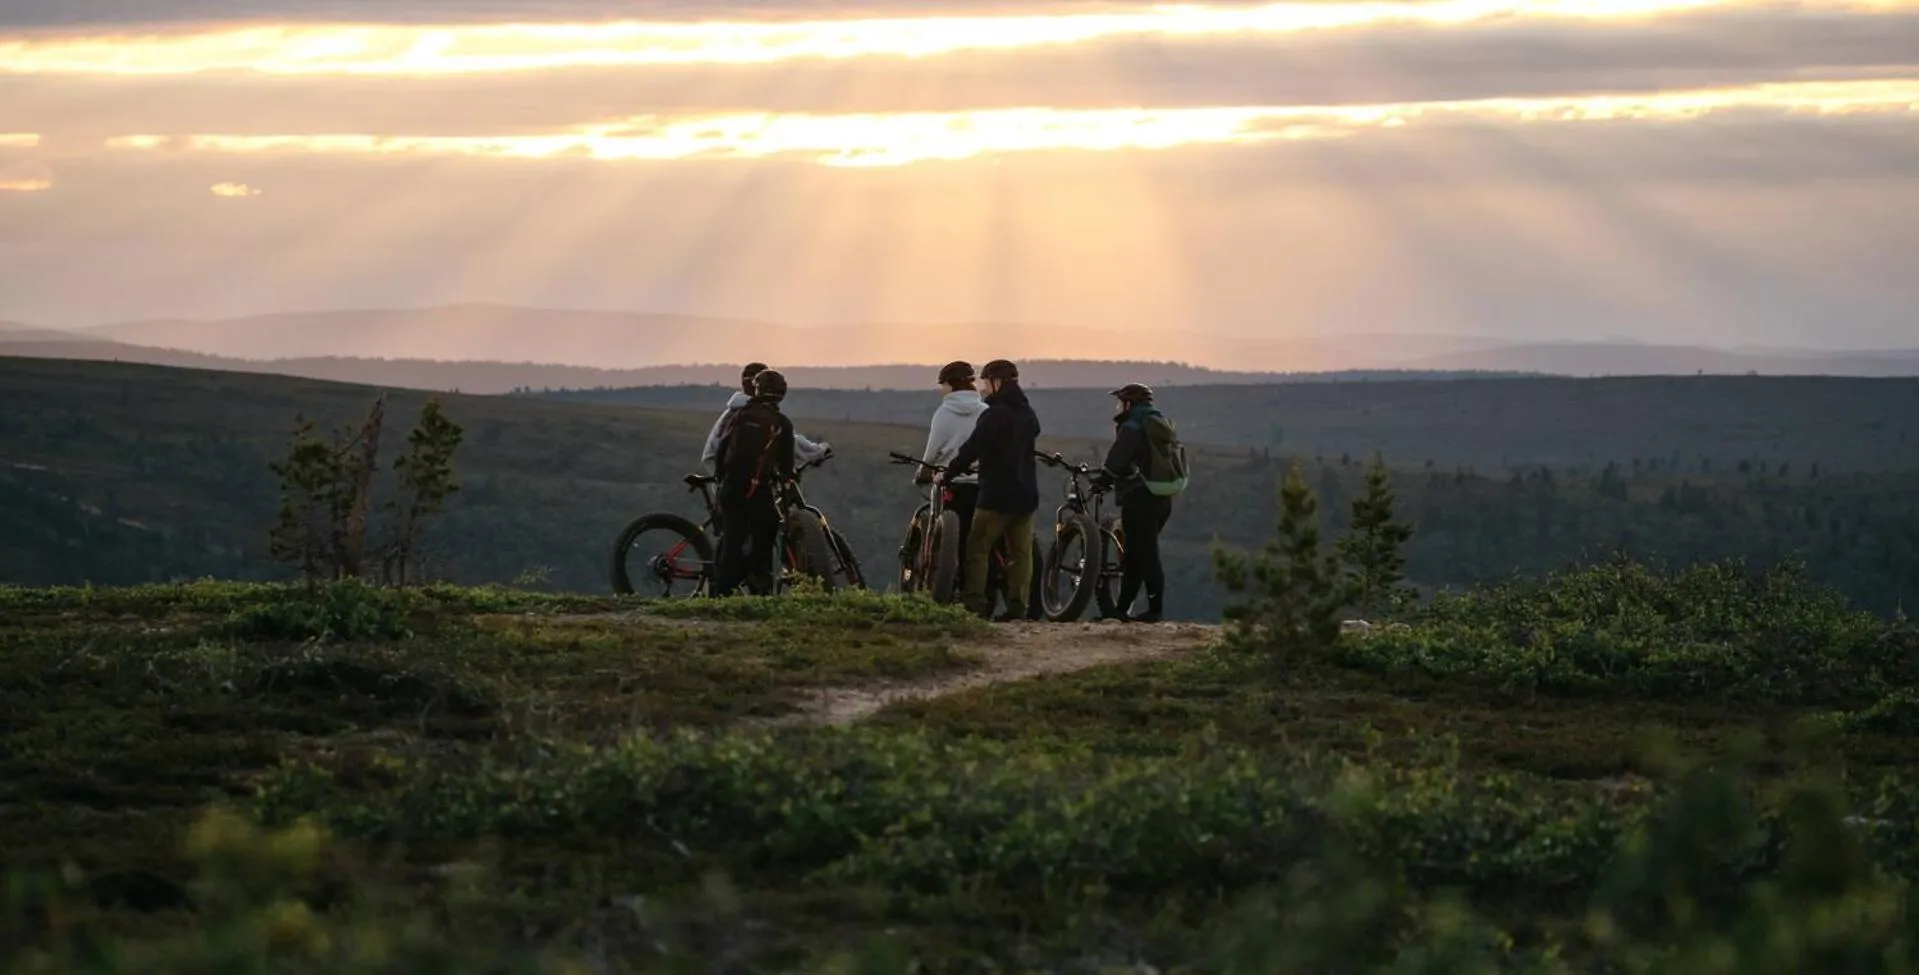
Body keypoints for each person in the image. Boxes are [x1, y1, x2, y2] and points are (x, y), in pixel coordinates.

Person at [941, 359, 1041, 621]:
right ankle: (1018, 608)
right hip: (1026, 495)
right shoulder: (1027, 413)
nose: (983, 389)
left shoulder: (994, 414)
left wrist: (949, 473)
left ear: (997, 382)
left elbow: (972, 447)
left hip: (996, 495)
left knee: (977, 547)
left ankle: (974, 604)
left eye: (986, 382)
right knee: (1021, 554)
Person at [711, 369, 796, 597]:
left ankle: (721, 594)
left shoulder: (740, 415)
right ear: (781, 394)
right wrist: (787, 481)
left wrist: (721, 480)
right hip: (757, 490)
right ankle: (759, 582)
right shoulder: (781, 423)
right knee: (766, 532)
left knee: (732, 540)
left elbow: (721, 449)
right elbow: (787, 465)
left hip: (730, 487)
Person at [1100, 382, 1175, 622]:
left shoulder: (1133, 425)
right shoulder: (1156, 423)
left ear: (1129, 404)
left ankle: (1155, 610)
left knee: (1146, 554)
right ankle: (1121, 610)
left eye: (1120, 402)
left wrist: (1103, 480)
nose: (1117, 407)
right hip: (1161, 497)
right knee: (1135, 555)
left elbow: (1117, 459)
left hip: (1139, 497)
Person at [918, 360, 987, 585]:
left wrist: (922, 474)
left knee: (947, 534)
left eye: (943, 385)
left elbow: (931, 453)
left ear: (949, 385)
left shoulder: (943, 413)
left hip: (952, 482)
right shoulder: (986, 411)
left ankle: (945, 579)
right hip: (982, 483)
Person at [703, 362, 828, 473]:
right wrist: (817, 452)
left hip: (723, 475)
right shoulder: (758, 415)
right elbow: (791, 441)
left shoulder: (733, 411)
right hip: (741, 479)